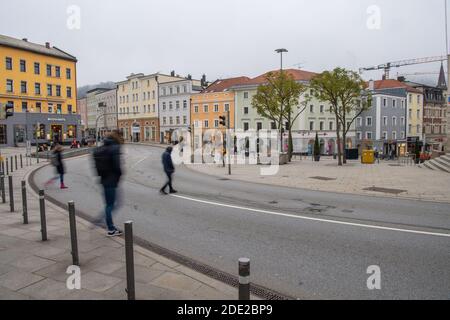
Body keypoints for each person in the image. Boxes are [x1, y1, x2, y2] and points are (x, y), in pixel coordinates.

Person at [93, 130, 123, 237]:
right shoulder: (115, 148)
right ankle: (110, 228)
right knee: (112, 205)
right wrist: (119, 176)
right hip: (112, 180)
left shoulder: (100, 149)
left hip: (103, 179)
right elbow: (117, 167)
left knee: (110, 204)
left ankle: (107, 224)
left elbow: (96, 167)